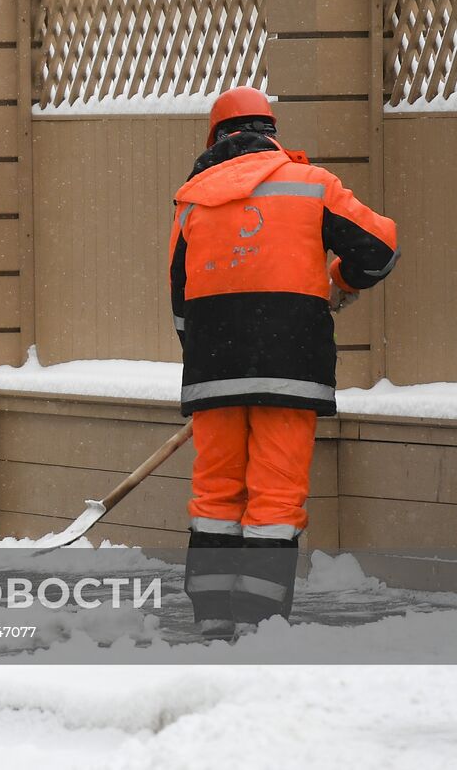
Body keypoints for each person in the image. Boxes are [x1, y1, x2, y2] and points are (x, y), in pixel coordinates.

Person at [169, 86, 398, 635]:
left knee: (216, 493)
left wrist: (209, 362)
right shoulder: (312, 185)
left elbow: (180, 298)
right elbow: (381, 248)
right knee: (275, 495)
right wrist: (340, 280)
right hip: (291, 365)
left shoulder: (192, 198)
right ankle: (259, 622)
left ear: (215, 140)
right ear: (272, 133)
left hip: (213, 369)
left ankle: (212, 620)